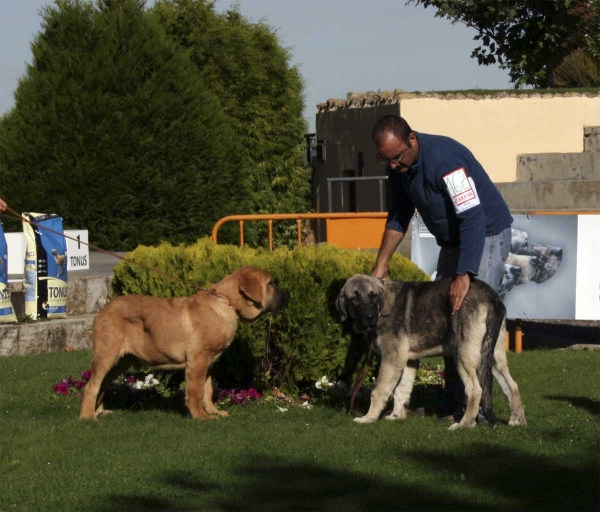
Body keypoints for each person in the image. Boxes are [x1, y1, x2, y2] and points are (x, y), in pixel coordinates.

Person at [370, 115, 512, 421]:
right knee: (447, 317)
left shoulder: (445, 160)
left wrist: (464, 275)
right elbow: (398, 216)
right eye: (386, 161)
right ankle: (453, 403)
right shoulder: (399, 168)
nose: (393, 166)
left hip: (484, 234)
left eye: (395, 158)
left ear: (411, 141)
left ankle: (480, 412)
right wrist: (381, 265)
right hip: (454, 241)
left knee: (472, 325)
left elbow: (473, 217)